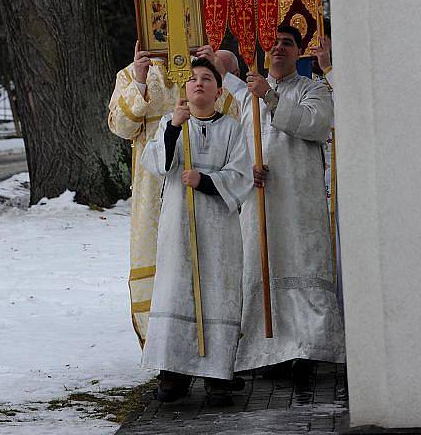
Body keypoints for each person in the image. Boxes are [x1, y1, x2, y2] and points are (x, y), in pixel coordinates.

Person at [218, 24, 345, 379]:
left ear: (299, 51)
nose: (278, 49)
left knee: (301, 265)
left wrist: (270, 98)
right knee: (263, 266)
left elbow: (315, 125)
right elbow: (235, 144)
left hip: (300, 201)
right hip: (260, 198)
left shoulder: (314, 89)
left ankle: (307, 348)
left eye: (287, 44)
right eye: (272, 43)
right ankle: (265, 349)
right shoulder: (245, 97)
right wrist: (246, 170)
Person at [108, 42, 240, 346]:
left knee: (205, 261)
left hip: (202, 181)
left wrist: (215, 72)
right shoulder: (131, 74)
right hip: (154, 189)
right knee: (159, 263)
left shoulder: (202, 73)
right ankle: (163, 351)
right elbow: (122, 127)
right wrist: (140, 81)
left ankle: (211, 348)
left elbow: (233, 116)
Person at [140, 58, 252, 403]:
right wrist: (174, 127)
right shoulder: (169, 124)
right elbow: (156, 162)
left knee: (216, 289)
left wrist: (204, 180)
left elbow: (242, 173)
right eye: (192, 79)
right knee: (177, 287)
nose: (198, 83)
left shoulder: (232, 128)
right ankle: (173, 371)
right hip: (179, 224)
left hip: (216, 226)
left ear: (219, 91)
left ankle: (217, 373)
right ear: (184, 89)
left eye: (207, 78)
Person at [310, 22, 343, 315]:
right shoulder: (303, 82)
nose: (318, 49)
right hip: (312, 182)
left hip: (344, 184)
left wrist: (329, 68)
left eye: (324, 42)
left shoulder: (343, 75)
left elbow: (351, 106)